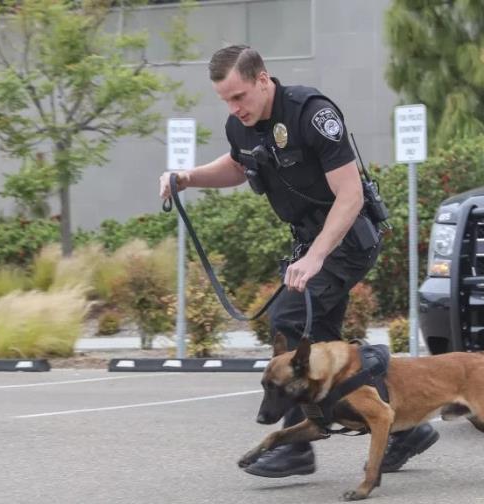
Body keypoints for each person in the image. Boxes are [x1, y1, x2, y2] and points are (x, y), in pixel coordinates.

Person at [158, 45, 438, 478]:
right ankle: (405, 431)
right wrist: (188, 177)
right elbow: (237, 166)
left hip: (346, 238)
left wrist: (315, 257)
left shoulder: (312, 114)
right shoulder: (242, 126)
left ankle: (297, 449)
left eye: (240, 97)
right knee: (324, 346)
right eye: (226, 100)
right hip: (311, 242)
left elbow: (350, 195)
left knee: (290, 322)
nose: (234, 108)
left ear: (263, 80)